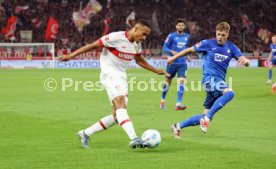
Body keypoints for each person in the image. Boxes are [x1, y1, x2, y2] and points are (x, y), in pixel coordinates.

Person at [59, 20, 169, 148]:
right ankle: (134, 138)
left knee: (117, 116)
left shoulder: (136, 44)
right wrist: (71, 55)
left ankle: (85, 133)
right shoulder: (115, 37)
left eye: (146, 36)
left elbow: (139, 60)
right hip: (109, 74)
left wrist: (156, 71)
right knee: (121, 104)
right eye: (143, 34)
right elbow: (93, 45)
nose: (144, 38)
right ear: (135, 28)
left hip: (121, 76)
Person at [167, 22, 249, 138]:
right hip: (209, 80)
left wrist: (246, 62)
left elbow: (243, 58)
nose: (220, 37)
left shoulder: (231, 47)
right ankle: (207, 118)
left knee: (204, 114)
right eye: (218, 34)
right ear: (216, 32)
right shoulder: (207, 43)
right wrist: (173, 57)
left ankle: (178, 126)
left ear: (228, 34)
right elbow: (189, 50)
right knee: (230, 93)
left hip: (218, 82)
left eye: (223, 35)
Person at [160, 19, 190, 110]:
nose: (181, 27)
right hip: (172, 63)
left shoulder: (187, 36)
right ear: (176, 26)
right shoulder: (171, 36)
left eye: (182, 25)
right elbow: (165, 47)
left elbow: (186, 47)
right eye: (179, 25)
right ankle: (163, 100)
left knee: (181, 81)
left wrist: (187, 55)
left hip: (182, 63)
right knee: (168, 82)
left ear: (184, 26)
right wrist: (171, 51)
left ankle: (178, 103)